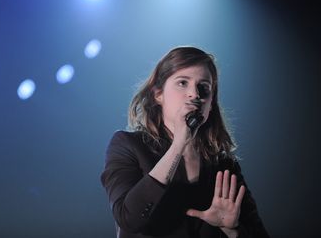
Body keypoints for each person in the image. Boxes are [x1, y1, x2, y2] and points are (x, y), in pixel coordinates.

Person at [100, 46, 269, 238]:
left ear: (211, 102)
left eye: (204, 87)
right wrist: (179, 144)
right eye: (182, 83)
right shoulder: (128, 145)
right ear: (158, 94)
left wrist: (232, 230)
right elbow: (128, 218)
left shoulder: (224, 165)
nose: (195, 94)